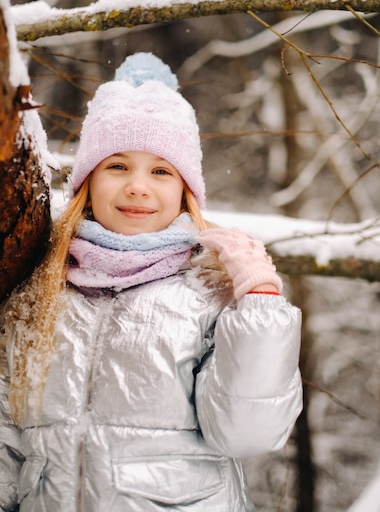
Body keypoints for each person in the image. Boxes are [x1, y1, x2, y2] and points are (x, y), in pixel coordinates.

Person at [0, 52, 302, 512]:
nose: (138, 186)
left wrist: (260, 301)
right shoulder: (37, 294)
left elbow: (248, 433)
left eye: (161, 170)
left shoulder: (210, 293)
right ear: (88, 182)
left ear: (185, 190)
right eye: (117, 166)